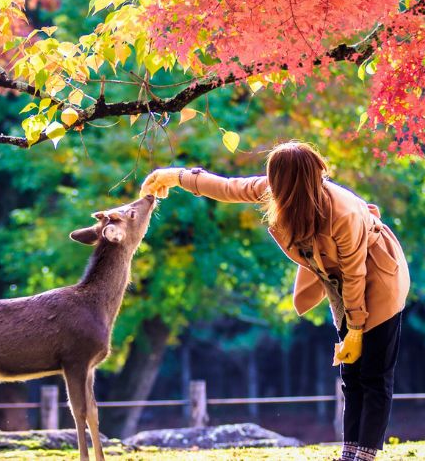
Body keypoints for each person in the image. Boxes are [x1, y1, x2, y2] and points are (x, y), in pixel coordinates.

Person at [140, 141, 409, 461]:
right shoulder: (282, 191)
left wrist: (355, 329)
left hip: (377, 275)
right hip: (340, 280)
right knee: (351, 373)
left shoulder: (343, 211)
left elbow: (355, 274)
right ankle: (349, 452)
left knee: (374, 374)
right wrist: (174, 176)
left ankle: (365, 455)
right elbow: (228, 187)